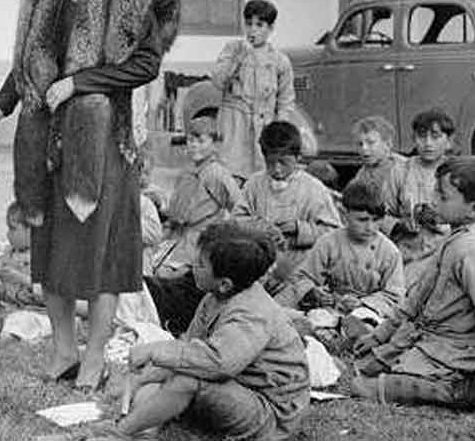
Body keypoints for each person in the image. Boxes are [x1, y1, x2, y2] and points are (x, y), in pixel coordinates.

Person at [0, 0, 180, 390]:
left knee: (101, 258)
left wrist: (82, 82)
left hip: (104, 144)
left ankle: (94, 358)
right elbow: (28, 65)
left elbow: (147, 64)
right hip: (47, 140)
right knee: (52, 252)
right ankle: (63, 351)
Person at [98, 221, 308, 441]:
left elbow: (218, 363)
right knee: (151, 387)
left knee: (186, 381)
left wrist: (156, 350)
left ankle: (120, 432)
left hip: (270, 413)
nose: (191, 267)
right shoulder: (213, 297)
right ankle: (143, 426)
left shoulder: (252, 313)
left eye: (199, 265)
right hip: (237, 389)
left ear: (225, 284)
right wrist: (139, 380)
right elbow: (189, 352)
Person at [350, 156, 475, 415]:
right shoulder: (457, 236)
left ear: (473, 208)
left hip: (456, 352)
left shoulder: (473, 250)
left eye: (443, 196)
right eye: (435, 192)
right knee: (361, 366)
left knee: (362, 387)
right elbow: (417, 297)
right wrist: (381, 334)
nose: (433, 200)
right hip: (433, 340)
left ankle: (461, 390)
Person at [144, 108, 244, 335]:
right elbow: (178, 209)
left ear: (215, 144)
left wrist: (221, 233)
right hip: (175, 240)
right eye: (190, 140)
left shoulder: (217, 173)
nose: (193, 145)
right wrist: (160, 206)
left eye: (200, 140)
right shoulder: (187, 172)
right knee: (155, 278)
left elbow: (240, 207)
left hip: (197, 244)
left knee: (175, 286)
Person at [274, 179, 405, 350]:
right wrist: (314, 292)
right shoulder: (328, 243)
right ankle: (323, 335)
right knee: (316, 320)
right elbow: (303, 276)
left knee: (366, 321)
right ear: (344, 215)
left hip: (368, 309)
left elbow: (394, 295)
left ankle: (355, 336)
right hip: (330, 306)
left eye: (376, 220)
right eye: (363, 220)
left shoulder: (389, 251)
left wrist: (363, 303)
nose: (370, 227)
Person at [234, 121, 341, 293]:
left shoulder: (313, 189)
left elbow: (333, 233)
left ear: (298, 158)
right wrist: (260, 228)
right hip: (258, 274)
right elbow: (236, 220)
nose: (277, 170)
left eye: (283, 162)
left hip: (299, 275)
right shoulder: (254, 184)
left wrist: (299, 229)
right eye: (271, 162)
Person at [209, 0, 297, 181]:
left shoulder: (280, 61)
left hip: (262, 131)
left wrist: (278, 135)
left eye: (259, 25)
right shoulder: (232, 50)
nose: (253, 30)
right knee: (230, 180)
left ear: (270, 28)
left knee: (261, 181)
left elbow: (285, 101)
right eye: (249, 24)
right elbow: (218, 81)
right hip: (234, 128)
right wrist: (238, 58)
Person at [384, 108, 457, 278]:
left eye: (435, 136)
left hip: (445, 251)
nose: (428, 143)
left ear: (449, 142)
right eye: (422, 136)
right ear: (414, 139)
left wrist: (441, 221)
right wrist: (399, 225)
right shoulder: (400, 170)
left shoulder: (456, 173)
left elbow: (468, 218)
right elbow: (380, 214)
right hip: (407, 254)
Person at [349, 115, 405, 198]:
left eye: (370, 143)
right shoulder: (363, 174)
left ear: (387, 144)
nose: (364, 148)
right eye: (360, 144)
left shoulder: (405, 170)